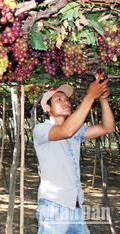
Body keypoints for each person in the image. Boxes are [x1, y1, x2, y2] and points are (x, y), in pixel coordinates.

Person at [32, 77, 115, 234]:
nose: (66, 102)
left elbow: (108, 127)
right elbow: (65, 131)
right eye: (59, 99)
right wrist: (90, 96)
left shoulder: (76, 131)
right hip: (53, 206)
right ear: (47, 108)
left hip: (75, 205)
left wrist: (103, 100)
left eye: (67, 99)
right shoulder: (41, 130)